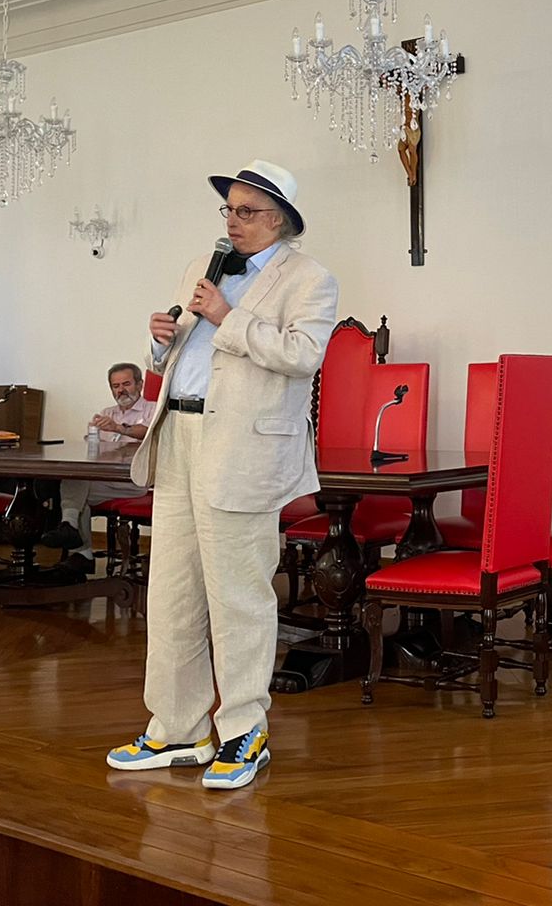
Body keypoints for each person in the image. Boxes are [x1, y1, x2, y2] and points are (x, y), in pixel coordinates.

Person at [106, 159, 337, 791]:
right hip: (178, 435)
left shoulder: (310, 279)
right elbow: (186, 355)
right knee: (172, 591)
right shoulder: (201, 269)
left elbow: (303, 356)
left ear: (279, 221)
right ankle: (178, 728)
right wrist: (160, 343)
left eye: (246, 211)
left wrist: (226, 316)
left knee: (238, 596)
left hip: (242, 449)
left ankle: (244, 731)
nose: (232, 221)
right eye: (228, 209)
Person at [41, 362, 155, 573]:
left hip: (133, 481)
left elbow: (149, 433)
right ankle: (74, 536)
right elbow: (91, 451)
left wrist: (119, 428)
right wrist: (92, 435)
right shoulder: (107, 413)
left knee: (74, 492)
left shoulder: (153, 409)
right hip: (103, 479)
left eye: (126, 384)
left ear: (140, 384)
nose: (121, 390)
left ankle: (78, 546)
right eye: (115, 386)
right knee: (75, 483)